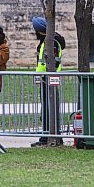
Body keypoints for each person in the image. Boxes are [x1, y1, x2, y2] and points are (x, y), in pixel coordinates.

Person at [30, 16, 66, 147]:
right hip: (46, 79)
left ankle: (48, 136)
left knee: (48, 107)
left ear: (39, 31)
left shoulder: (51, 42)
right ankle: (49, 135)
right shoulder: (47, 41)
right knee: (47, 107)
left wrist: (47, 76)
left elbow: (53, 62)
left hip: (49, 79)